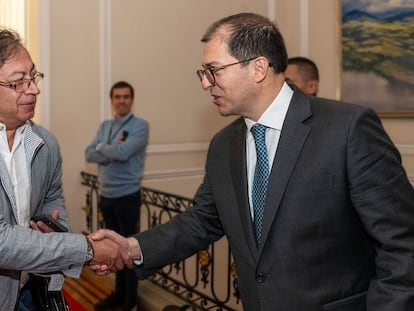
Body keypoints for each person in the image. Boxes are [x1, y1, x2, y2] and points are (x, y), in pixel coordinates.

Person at [91, 12, 414, 311]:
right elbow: (202, 220)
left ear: (258, 67)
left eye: (213, 70)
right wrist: (132, 247)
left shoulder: (347, 129)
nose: (205, 83)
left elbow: (401, 244)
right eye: (203, 73)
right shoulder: (223, 145)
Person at [0, 28, 132, 311]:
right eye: (18, 82)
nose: (34, 89)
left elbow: (53, 201)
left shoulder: (45, 143)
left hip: (29, 288)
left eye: (33, 77)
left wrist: (55, 230)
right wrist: (85, 249)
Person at [85, 81, 149, 311]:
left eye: (126, 97)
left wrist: (103, 148)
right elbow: (88, 153)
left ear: (131, 100)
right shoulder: (105, 126)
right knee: (113, 251)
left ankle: (130, 300)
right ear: (112, 100)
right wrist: (111, 148)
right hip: (106, 195)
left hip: (127, 196)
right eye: (117, 97)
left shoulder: (140, 126)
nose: (121, 100)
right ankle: (118, 293)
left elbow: (123, 154)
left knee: (128, 250)